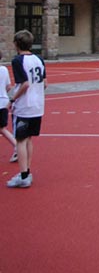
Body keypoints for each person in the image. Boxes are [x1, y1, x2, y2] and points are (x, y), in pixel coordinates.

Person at [6, 30, 47, 188]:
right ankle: (27, 171)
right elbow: (45, 83)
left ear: (16, 44)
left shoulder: (18, 61)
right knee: (29, 139)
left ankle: (23, 175)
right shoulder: (39, 59)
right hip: (38, 106)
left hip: (24, 106)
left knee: (21, 140)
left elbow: (24, 84)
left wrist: (13, 98)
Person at [0, 50, 17, 163]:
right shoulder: (4, 69)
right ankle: (16, 146)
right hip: (3, 102)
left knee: (2, 129)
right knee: (2, 128)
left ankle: (17, 146)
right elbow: (8, 87)